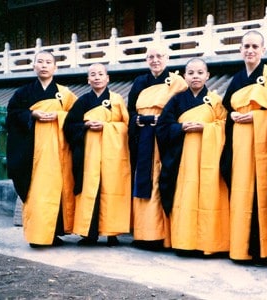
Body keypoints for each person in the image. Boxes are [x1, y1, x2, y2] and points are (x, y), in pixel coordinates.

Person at [220, 30, 267, 263]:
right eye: (246, 46)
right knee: (241, 193)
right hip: (240, 146)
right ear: (240, 50)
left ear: (263, 50)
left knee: (263, 192)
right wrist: (233, 117)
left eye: (254, 47)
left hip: (263, 145)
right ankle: (241, 249)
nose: (250, 50)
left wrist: (256, 118)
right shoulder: (237, 78)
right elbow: (225, 109)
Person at [156, 58, 229, 256]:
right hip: (183, 160)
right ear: (185, 76)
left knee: (209, 198)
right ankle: (184, 242)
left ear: (207, 76)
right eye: (191, 73)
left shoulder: (215, 101)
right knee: (185, 197)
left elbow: (225, 125)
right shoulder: (177, 100)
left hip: (209, 160)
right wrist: (180, 127)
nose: (195, 76)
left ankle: (209, 243)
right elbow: (162, 127)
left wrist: (206, 128)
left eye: (199, 72)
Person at [6, 50, 77, 248]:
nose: (44, 65)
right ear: (34, 66)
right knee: (37, 194)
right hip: (32, 154)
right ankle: (38, 237)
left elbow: (77, 117)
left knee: (57, 192)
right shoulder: (22, 93)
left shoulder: (65, 94)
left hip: (58, 152)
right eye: (40, 62)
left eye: (48, 62)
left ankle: (54, 233)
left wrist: (59, 116)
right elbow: (11, 116)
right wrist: (32, 114)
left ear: (55, 67)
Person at [63, 63, 131, 246]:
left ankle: (112, 233)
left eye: (100, 74)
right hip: (88, 155)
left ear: (107, 78)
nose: (97, 77)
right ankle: (89, 234)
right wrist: (85, 126)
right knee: (90, 190)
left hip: (113, 156)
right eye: (92, 74)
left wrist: (107, 127)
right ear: (88, 79)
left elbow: (126, 126)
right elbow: (69, 127)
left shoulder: (117, 100)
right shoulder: (83, 101)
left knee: (112, 189)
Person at [128, 43, 187, 251]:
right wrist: (137, 119)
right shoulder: (139, 82)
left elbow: (182, 109)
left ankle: (161, 235)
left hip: (163, 138)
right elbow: (130, 111)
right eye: (151, 57)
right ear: (146, 60)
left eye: (159, 56)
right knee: (143, 181)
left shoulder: (177, 82)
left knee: (161, 180)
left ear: (167, 58)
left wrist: (161, 120)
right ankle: (143, 233)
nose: (155, 60)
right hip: (143, 138)